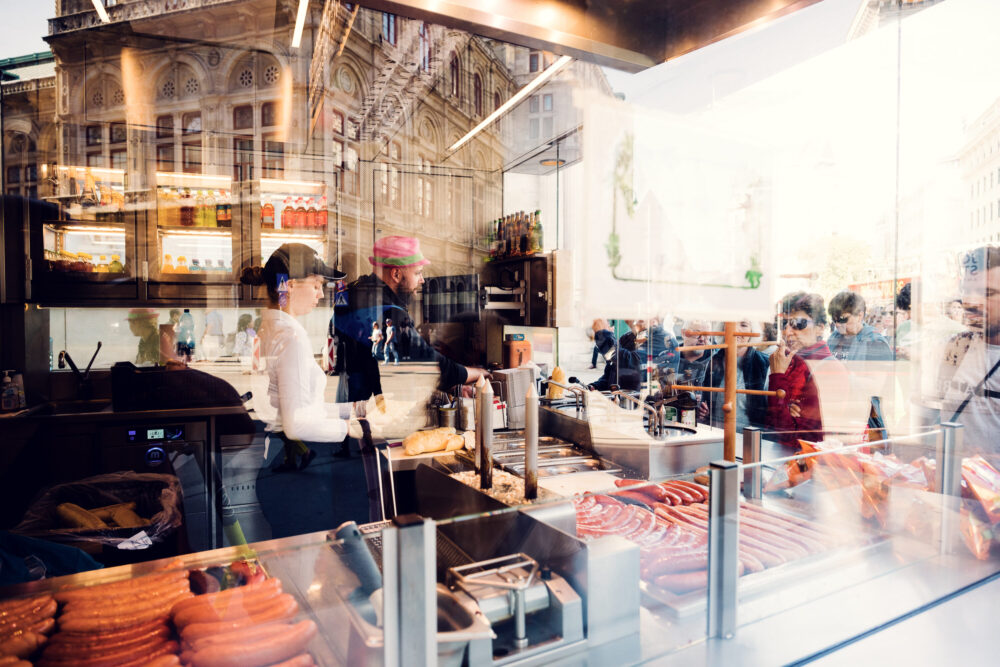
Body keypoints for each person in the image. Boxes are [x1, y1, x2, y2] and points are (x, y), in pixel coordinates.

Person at [240, 243, 357, 471]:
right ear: (290, 286)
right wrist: (351, 427)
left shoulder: (271, 329)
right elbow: (297, 425)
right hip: (275, 457)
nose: (322, 294)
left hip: (268, 452)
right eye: (317, 285)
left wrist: (353, 410)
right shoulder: (291, 338)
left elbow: (298, 404)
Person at [332, 235, 488, 404]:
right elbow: (428, 362)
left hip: (345, 406)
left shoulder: (351, 293)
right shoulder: (389, 312)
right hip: (368, 414)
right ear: (396, 274)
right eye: (417, 273)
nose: (422, 280)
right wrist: (478, 373)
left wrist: (452, 386)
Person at [935, 246, 1000, 464]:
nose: (971, 303)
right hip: (950, 481)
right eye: (967, 291)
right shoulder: (955, 347)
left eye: (986, 293)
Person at [767, 292, 839, 447]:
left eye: (799, 323)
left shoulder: (827, 368)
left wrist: (777, 377)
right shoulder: (790, 360)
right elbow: (772, 422)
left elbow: (788, 433)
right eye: (783, 324)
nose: (787, 331)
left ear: (820, 328)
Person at [701, 319, 770, 431]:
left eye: (743, 325)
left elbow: (770, 413)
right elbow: (706, 405)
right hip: (716, 438)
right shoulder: (713, 362)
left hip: (750, 441)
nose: (735, 329)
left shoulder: (764, 365)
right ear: (723, 328)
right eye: (730, 323)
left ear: (752, 331)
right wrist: (704, 413)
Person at [826, 291, 893, 362]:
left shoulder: (875, 343)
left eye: (842, 319)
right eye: (834, 319)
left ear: (859, 316)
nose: (837, 324)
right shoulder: (833, 338)